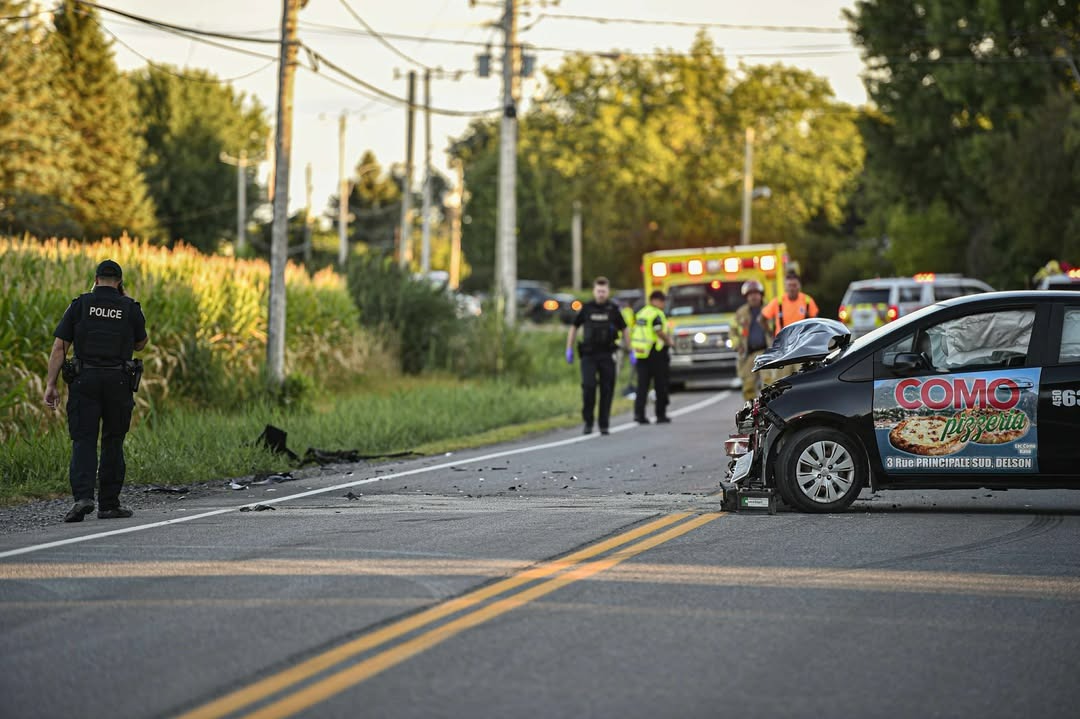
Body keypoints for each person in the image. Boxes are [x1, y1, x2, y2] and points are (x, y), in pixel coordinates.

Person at [44, 260, 148, 522]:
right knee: (113, 440)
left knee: (84, 439)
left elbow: (59, 347)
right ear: (119, 282)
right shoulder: (130, 307)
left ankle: (83, 498)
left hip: (84, 381)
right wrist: (124, 302)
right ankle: (109, 505)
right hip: (118, 382)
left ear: (96, 278)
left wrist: (51, 384)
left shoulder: (79, 305)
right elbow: (141, 343)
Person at [566, 277, 629, 435]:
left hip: (607, 354)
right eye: (598, 291)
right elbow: (574, 327)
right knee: (589, 387)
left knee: (607, 390)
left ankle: (604, 424)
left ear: (608, 291)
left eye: (604, 291)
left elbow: (625, 329)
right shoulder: (587, 308)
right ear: (594, 291)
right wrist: (569, 348)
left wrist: (630, 349)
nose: (601, 294)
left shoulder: (613, 309)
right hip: (589, 355)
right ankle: (588, 422)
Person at [759, 269, 819, 380]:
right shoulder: (778, 302)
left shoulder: (807, 301)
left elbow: (815, 322)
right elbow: (761, 319)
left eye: (794, 285)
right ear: (785, 287)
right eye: (789, 285)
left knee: (803, 378)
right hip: (783, 347)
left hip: (801, 346)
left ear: (799, 286)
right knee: (781, 380)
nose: (792, 288)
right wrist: (770, 334)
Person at [631, 290, 672, 425]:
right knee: (660, 384)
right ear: (656, 301)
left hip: (642, 353)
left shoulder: (642, 313)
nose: (663, 304)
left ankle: (639, 415)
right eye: (662, 301)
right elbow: (658, 330)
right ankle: (661, 415)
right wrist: (669, 341)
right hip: (656, 353)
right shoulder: (656, 314)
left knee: (642, 386)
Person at [734, 280, 772, 401]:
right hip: (749, 355)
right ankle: (751, 410)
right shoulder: (741, 313)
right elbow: (733, 331)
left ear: (761, 295)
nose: (753, 297)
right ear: (746, 296)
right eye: (750, 294)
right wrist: (737, 345)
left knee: (768, 384)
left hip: (766, 353)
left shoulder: (769, 309)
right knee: (748, 387)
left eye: (756, 293)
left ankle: (769, 408)